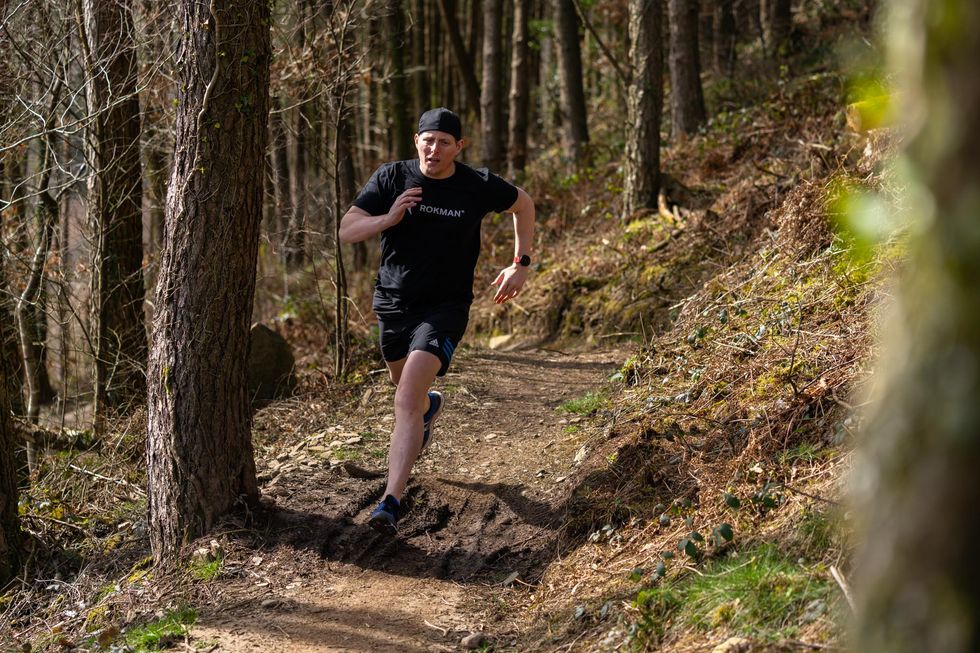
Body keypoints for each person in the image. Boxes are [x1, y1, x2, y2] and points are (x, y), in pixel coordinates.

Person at [339, 107, 536, 536]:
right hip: (393, 303)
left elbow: (524, 204)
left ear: (458, 147)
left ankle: (391, 501)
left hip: (445, 308)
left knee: (406, 395)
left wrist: (520, 263)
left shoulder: (476, 184)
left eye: (444, 142)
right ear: (417, 141)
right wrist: (388, 218)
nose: (435, 148)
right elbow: (348, 230)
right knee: (405, 389)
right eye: (428, 140)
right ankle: (428, 409)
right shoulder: (392, 178)